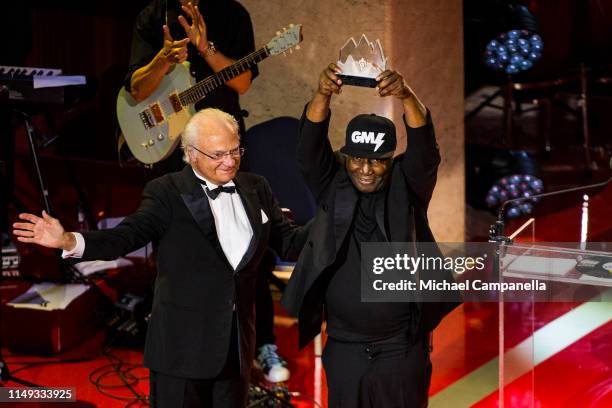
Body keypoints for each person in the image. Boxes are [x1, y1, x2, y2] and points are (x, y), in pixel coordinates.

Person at [13, 108, 308, 407]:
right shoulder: (166, 192)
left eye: (235, 151)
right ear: (191, 154)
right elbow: (124, 237)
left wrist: (336, 221)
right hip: (180, 354)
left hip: (235, 349)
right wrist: (66, 240)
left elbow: (291, 243)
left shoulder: (256, 187)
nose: (230, 161)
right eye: (218, 154)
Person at [126, 0, 290, 381]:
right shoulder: (152, 15)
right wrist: (164, 60)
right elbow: (136, 89)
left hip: (222, 152)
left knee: (247, 251)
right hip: (171, 150)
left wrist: (205, 48)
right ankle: (179, 347)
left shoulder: (232, 14)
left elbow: (242, 82)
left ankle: (261, 343)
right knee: (176, 252)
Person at [281, 63, 461, 407]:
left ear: (391, 161)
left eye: (377, 161)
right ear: (345, 157)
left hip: (400, 349)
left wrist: (406, 95)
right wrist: (322, 93)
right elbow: (308, 150)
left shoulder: (408, 188)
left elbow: (424, 147)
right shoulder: (332, 185)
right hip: (345, 348)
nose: (365, 169)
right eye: (357, 159)